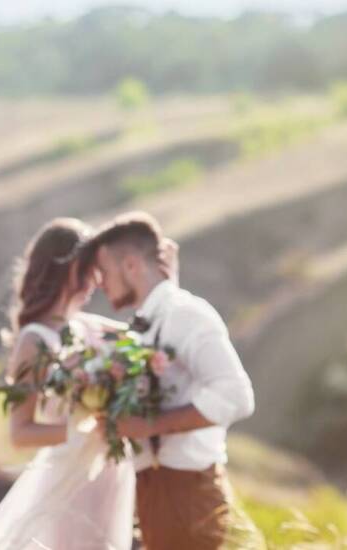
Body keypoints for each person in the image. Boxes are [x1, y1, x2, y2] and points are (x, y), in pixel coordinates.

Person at [0, 217, 177, 550]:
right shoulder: (34, 341)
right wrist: (85, 431)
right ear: (68, 269)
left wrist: (167, 278)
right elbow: (21, 433)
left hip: (109, 474)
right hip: (67, 479)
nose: (99, 280)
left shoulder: (87, 326)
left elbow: (147, 334)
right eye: (92, 268)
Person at [78, 211, 255, 550]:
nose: (100, 282)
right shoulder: (150, 320)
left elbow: (237, 396)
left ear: (131, 265)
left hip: (186, 492)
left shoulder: (186, 314)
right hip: (157, 489)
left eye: (105, 271)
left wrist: (147, 426)